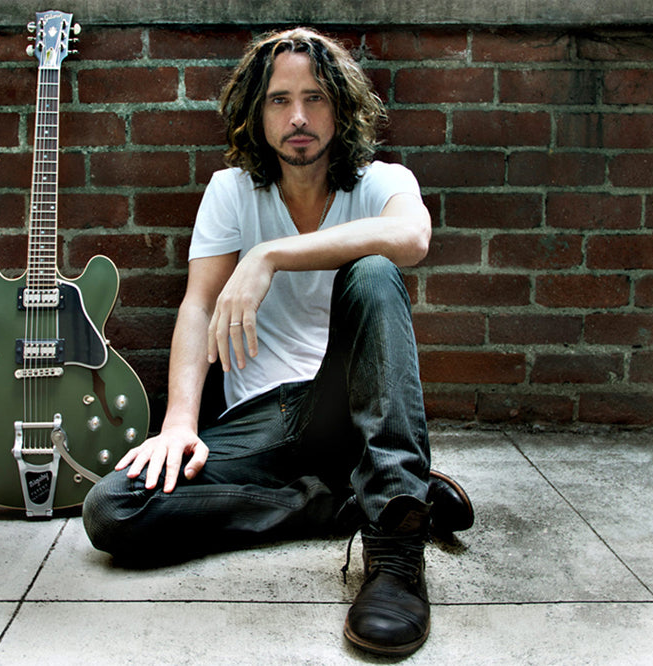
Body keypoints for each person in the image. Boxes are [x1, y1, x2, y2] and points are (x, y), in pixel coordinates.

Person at [83, 27, 473, 657]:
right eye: (279, 100)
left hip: (347, 402)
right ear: (255, 114)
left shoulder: (379, 182)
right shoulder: (232, 191)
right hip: (266, 419)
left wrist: (269, 255)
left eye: (316, 98)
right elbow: (198, 305)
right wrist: (180, 422)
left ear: (341, 109)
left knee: (375, 270)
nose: (298, 117)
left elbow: (411, 238)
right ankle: (358, 500)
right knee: (114, 509)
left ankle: (394, 550)